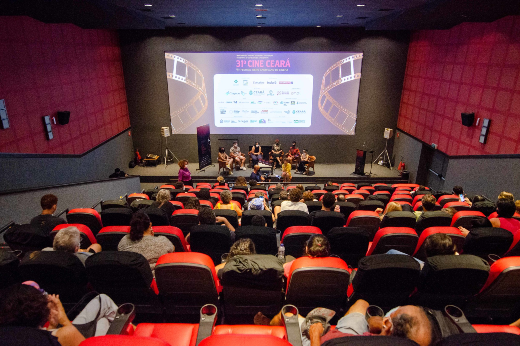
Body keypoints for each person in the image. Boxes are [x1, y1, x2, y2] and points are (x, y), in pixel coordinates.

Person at [256, 299, 433, 346]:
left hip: (329, 340)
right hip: (358, 335)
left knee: (286, 313)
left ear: (388, 323)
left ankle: (264, 327)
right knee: (362, 304)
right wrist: (378, 326)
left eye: (397, 311)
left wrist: (315, 335)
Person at [0, 282, 119, 346]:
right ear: (42, 313)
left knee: (103, 319)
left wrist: (52, 326)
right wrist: (64, 321)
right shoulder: (61, 335)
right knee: (103, 306)